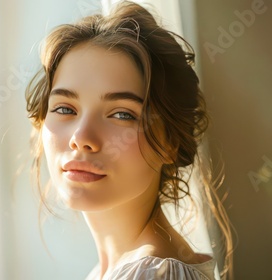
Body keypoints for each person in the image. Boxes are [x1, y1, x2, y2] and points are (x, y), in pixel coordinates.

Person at [25, 1, 233, 279]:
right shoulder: (110, 271)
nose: (81, 138)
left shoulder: (153, 273)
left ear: (170, 142)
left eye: (122, 114)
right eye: (65, 109)